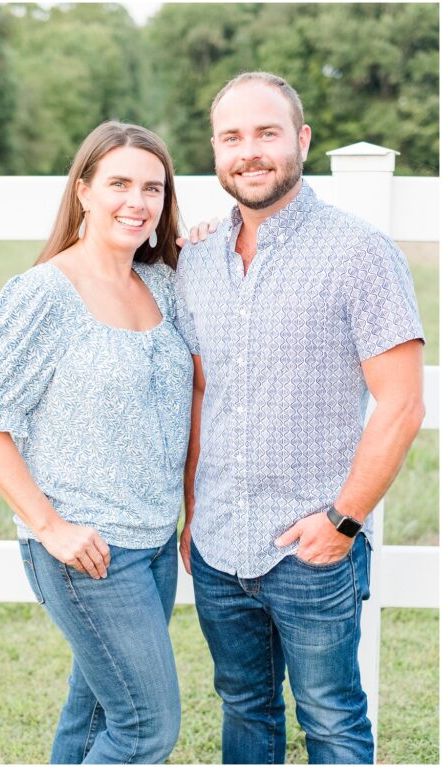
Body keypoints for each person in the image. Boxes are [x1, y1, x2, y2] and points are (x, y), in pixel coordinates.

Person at [175, 72, 425, 764]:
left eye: (266, 133)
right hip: (220, 545)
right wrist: (194, 512)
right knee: (245, 710)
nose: (249, 151)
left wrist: (343, 520)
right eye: (232, 137)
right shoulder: (196, 259)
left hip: (314, 547)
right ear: (217, 150)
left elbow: (402, 404)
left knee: (332, 719)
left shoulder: (360, 252)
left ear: (301, 141)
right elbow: (201, 394)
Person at [0, 122, 193, 764]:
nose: (136, 201)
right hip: (89, 553)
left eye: (152, 187)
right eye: (118, 183)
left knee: (93, 720)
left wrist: (196, 242)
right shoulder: (42, 294)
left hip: (154, 545)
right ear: (83, 189)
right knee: (147, 728)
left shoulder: (166, 285)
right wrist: (51, 527)